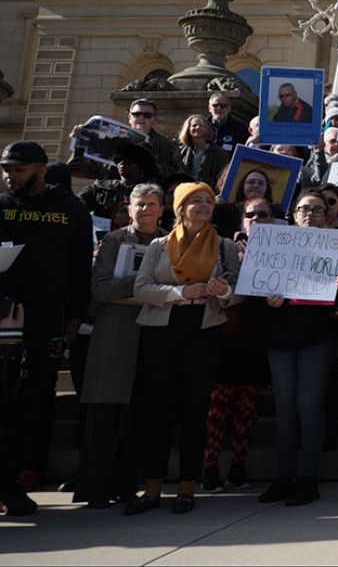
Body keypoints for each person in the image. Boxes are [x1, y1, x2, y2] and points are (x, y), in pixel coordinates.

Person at [126, 182, 240, 515]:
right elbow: (141, 287)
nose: (204, 206)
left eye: (208, 201)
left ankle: (188, 486)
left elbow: (238, 292)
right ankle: (152, 486)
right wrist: (181, 293)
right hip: (162, 332)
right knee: (156, 409)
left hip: (203, 332)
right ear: (179, 208)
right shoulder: (159, 246)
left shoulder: (224, 246)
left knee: (195, 410)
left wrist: (222, 291)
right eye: (196, 202)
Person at [0, 142, 94, 516]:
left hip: (45, 320)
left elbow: (79, 269)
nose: (11, 175)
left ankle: (11, 484)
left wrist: (75, 317)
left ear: (40, 170)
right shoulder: (2, 206)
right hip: (3, 315)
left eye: (19, 169)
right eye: (7, 169)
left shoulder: (71, 210)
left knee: (29, 404)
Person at [76, 183, 165, 508]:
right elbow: (100, 288)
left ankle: (127, 484)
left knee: (139, 413)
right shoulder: (113, 241)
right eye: (140, 205)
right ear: (130, 209)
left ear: (161, 209)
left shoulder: (168, 241)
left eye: (152, 204)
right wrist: (143, 282)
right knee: (103, 413)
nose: (146, 210)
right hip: (113, 333)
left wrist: (142, 287)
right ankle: (94, 488)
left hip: (151, 332)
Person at [256, 190, 338, 508]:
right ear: (293, 214)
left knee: (308, 408)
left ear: (326, 216)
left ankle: (308, 478)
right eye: (305, 208)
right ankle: (284, 477)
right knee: (285, 412)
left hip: (316, 339)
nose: (311, 214)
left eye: (318, 210)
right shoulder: (273, 244)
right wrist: (269, 301)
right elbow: (255, 293)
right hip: (280, 339)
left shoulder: (336, 248)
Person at [201, 198, 275, 493]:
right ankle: (209, 468)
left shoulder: (282, 246)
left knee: (246, 410)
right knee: (217, 411)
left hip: (257, 339)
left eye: (263, 214)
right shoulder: (226, 247)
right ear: (242, 219)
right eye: (250, 214)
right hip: (226, 334)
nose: (256, 218)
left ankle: (238, 467)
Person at [80, 142, 158, 221]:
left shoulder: (150, 194)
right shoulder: (100, 187)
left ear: (142, 167)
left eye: (129, 161)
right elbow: (78, 203)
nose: (122, 163)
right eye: (120, 160)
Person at [178, 113, 231, 189]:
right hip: (185, 191)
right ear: (188, 129)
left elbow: (224, 177)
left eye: (201, 125)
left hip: (208, 192)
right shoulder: (180, 151)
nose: (198, 127)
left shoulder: (219, 152)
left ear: (206, 129)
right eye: (194, 125)